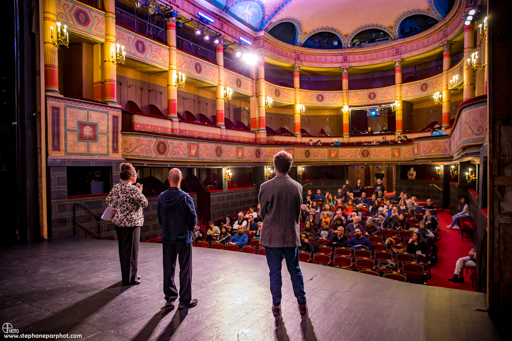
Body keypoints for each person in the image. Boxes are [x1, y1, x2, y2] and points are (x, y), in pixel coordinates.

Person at [258, 150, 307, 316]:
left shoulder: (265, 187)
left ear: (274, 166)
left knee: (274, 273)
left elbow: (263, 213)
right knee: (295, 271)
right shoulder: (298, 187)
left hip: (272, 237)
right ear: (290, 167)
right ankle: (302, 304)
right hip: (291, 235)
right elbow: (296, 212)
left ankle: (276, 306)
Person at [157, 168, 198, 309]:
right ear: (180, 179)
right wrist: (190, 231)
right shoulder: (185, 198)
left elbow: (160, 218)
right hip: (183, 238)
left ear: (169, 179)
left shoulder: (161, 197)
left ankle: (169, 299)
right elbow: (193, 218)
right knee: (185, 269)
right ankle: (184, 301)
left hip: (168, 237)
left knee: (168, 269)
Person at [106, 163, 148, 286]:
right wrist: (140, 192)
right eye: (135, 175)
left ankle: (127, 276)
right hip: (132, 223)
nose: (136, 177)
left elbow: (108, 200)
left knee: (123, 250)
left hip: (119, 223)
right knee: (133, 252)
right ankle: (131, 278)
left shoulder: (116, 187)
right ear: (131, 176)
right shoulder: (133, 189)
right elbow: (144, 203)